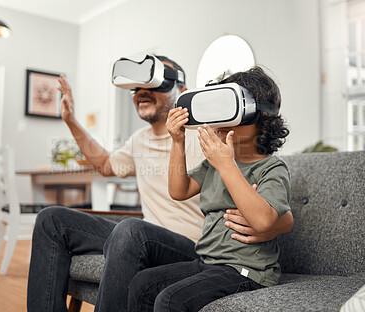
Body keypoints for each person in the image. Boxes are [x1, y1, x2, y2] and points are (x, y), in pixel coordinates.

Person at [26, 56, 293, 312]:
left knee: (130, 231)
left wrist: (271, 225)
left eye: (156, 85)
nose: (143, 92)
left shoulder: (210, 136)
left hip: (189, 245)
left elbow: (277, 209)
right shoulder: (139, 140)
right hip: (140, 238)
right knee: (52, 220)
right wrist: (71, 121)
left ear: (182, 91)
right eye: (137, 88)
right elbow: (106, 166)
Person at [126, 66, 291, 312]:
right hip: (207, 262)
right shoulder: (212, 165)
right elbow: (179, 190)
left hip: (246, 271)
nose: (220, 122)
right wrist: (178, 141)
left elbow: (264, 222)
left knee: (171, 300)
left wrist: (226, 164)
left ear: (260, 116)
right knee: (142, 284)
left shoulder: (271, 168)